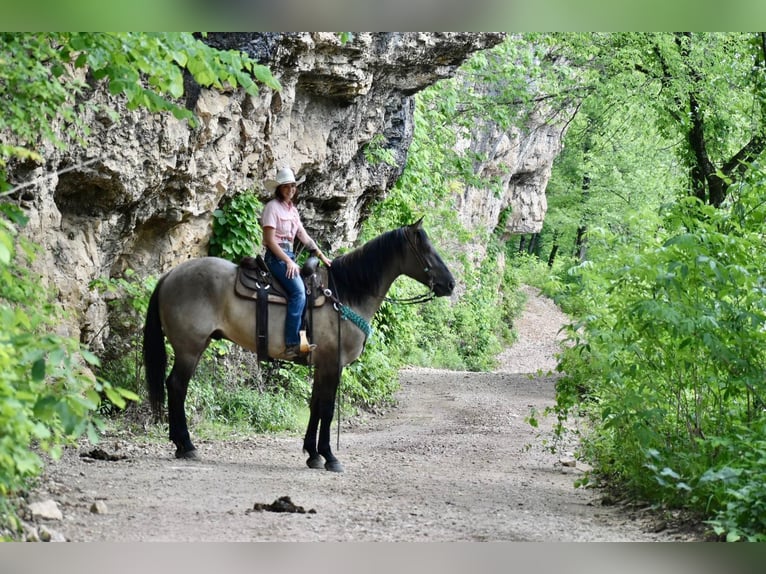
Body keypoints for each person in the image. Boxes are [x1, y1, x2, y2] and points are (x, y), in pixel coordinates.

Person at [261, 166, 332, 359]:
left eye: (292, 186)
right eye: (286, 186)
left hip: (289, 256)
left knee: (309, 290)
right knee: (299, 293)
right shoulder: (272, 208)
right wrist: (288, 261)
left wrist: (322, 256)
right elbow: (269, 241)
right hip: (276, 258)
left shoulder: (292, 211)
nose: (290, 189)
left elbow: (304, 236)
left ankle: (303, 339)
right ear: (279, 188)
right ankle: (291, 343)